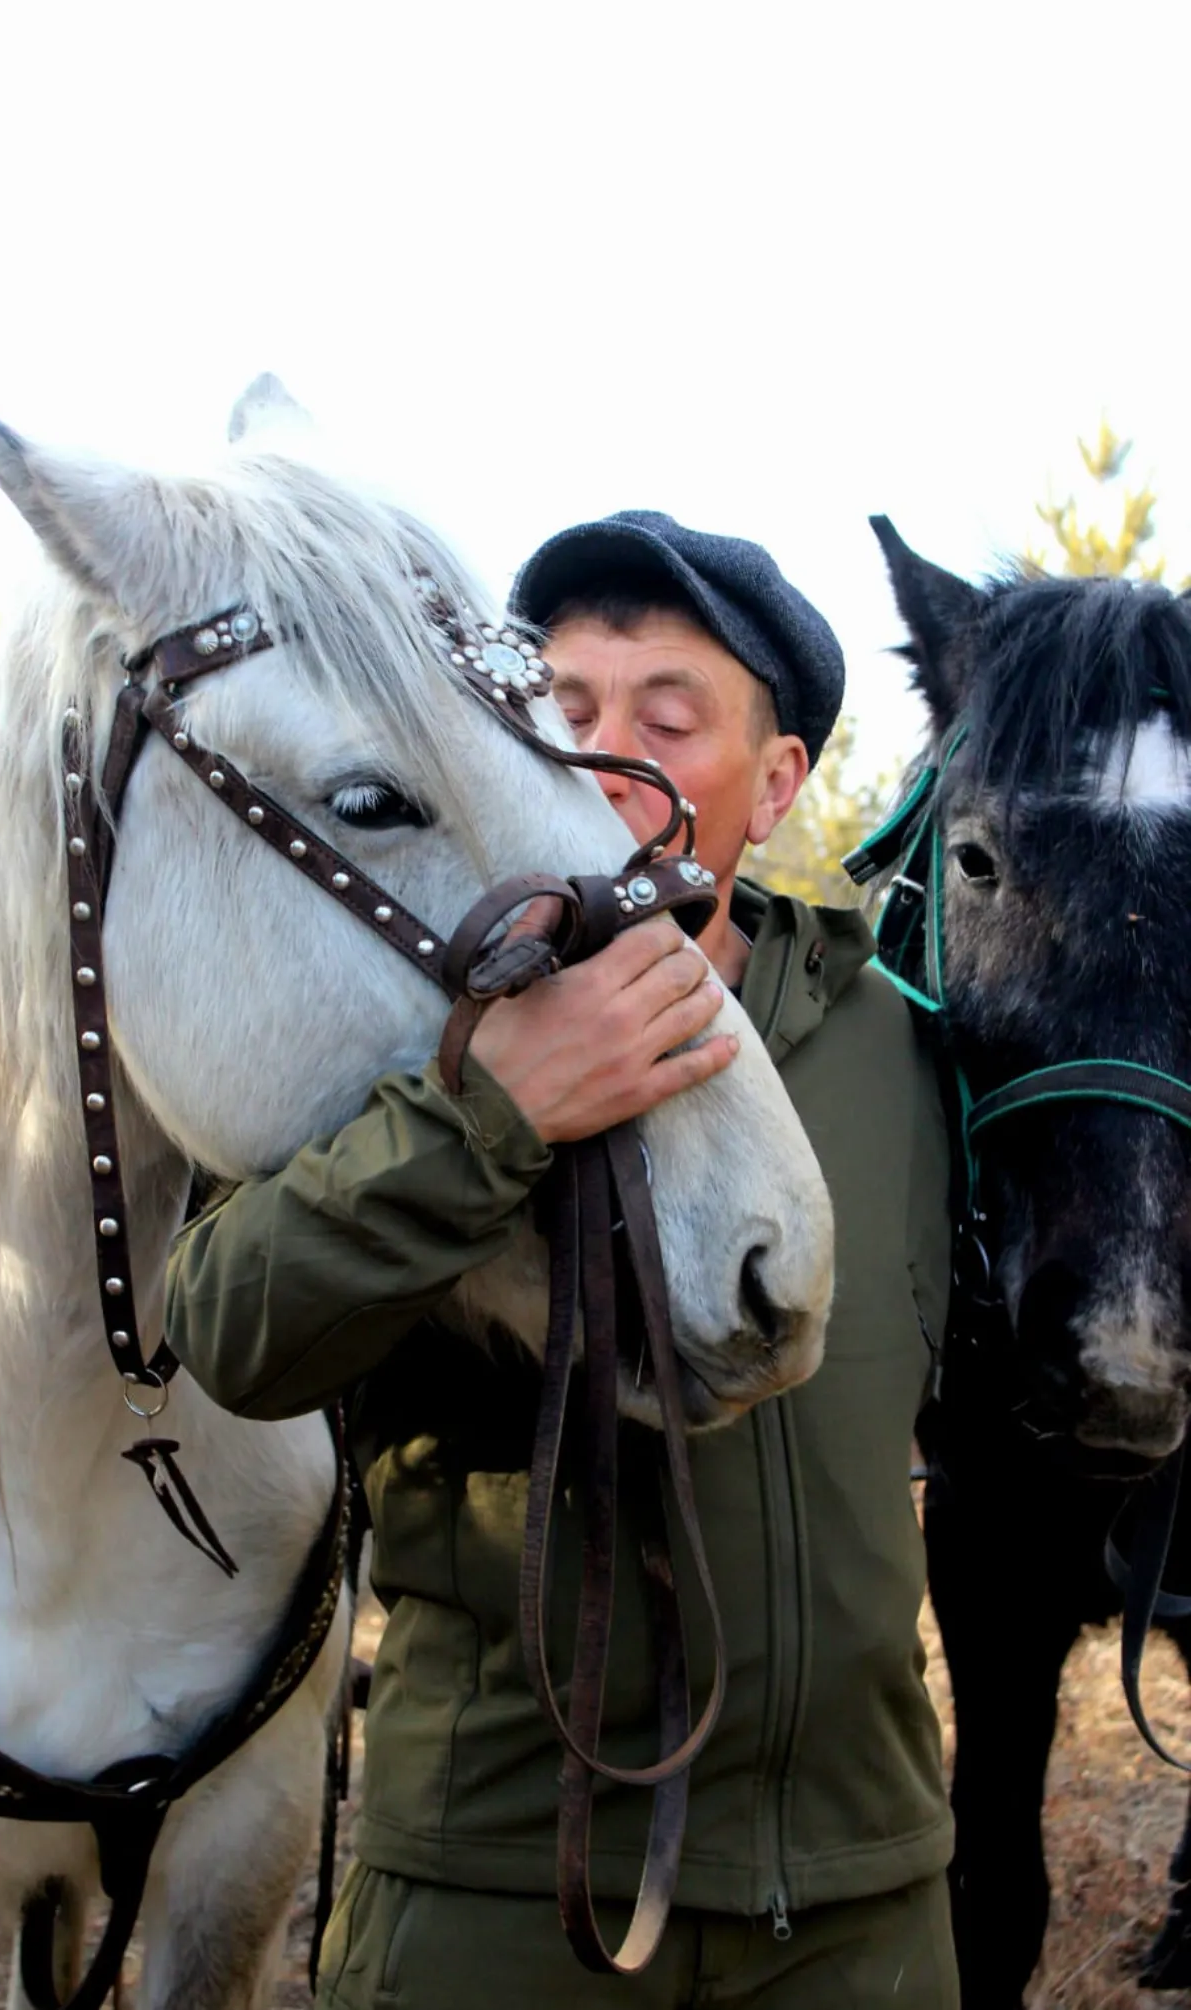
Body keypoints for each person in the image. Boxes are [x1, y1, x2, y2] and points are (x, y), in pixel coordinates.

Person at [164, 511, 957, 2007]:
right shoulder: (402, 1012)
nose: (602, 756)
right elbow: (226, 1324)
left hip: (865, 1902)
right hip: (502, 1891)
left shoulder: (897, 1042)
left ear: (780, 782)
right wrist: (489, 1112)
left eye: (668, 718)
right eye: (559, 711)